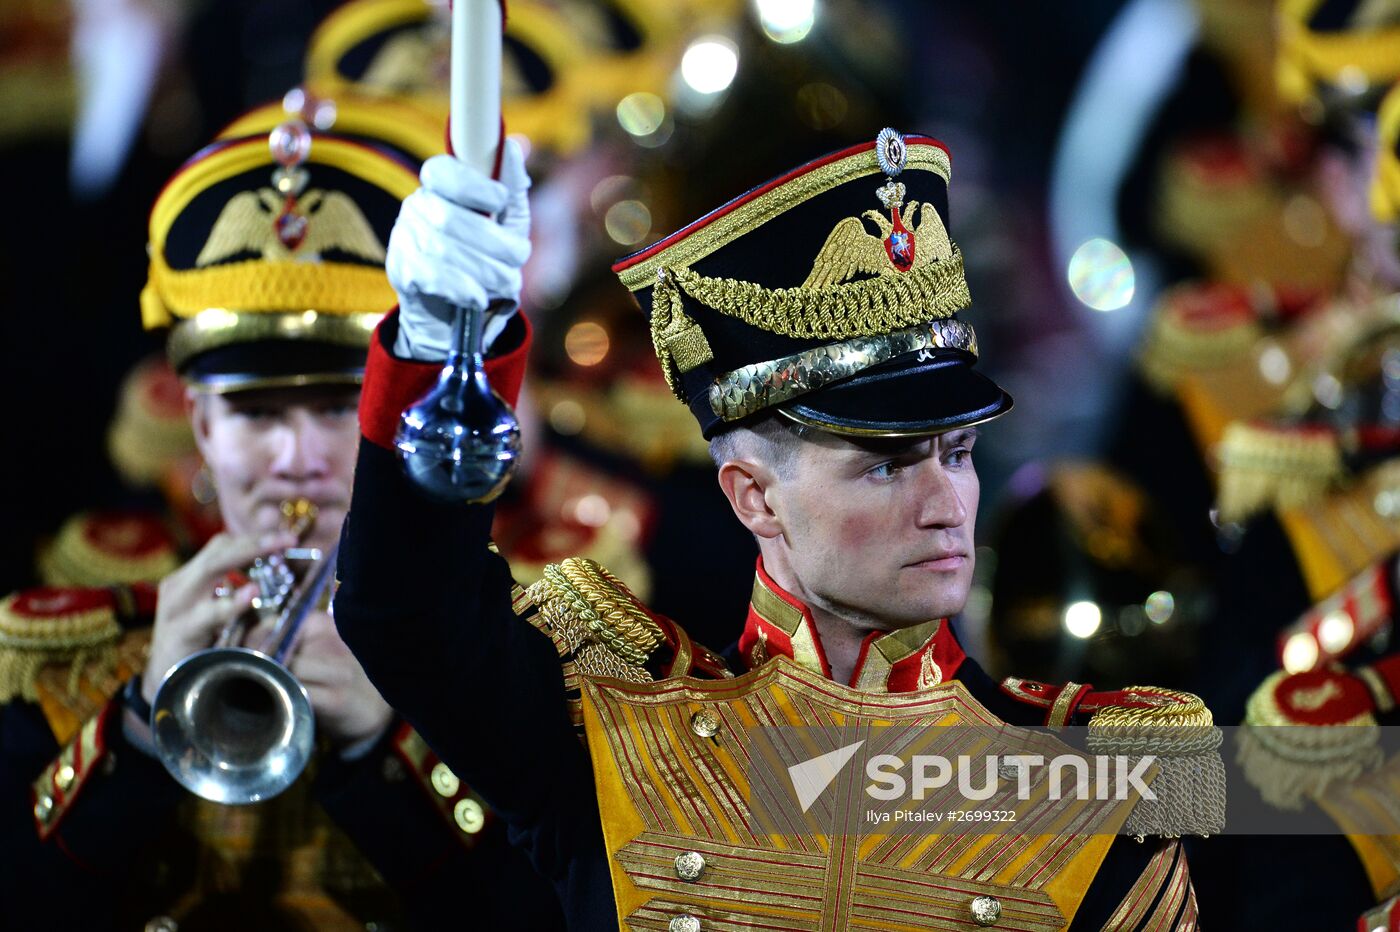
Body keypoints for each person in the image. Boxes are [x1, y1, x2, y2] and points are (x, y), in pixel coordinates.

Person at [335, 128, 1221, 929]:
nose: (947, 500)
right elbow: (404, 613)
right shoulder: (606, 730)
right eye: (886, 463)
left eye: (957, 453)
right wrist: (443, 337)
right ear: (754, 496)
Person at [0, 119, 561, 930]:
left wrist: (384, 744)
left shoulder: (515, 651)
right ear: (199, 427)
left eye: (338, 406)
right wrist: (140, 723)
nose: (297, 457)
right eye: (255, 413)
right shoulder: (55, 657)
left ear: (396, 415)